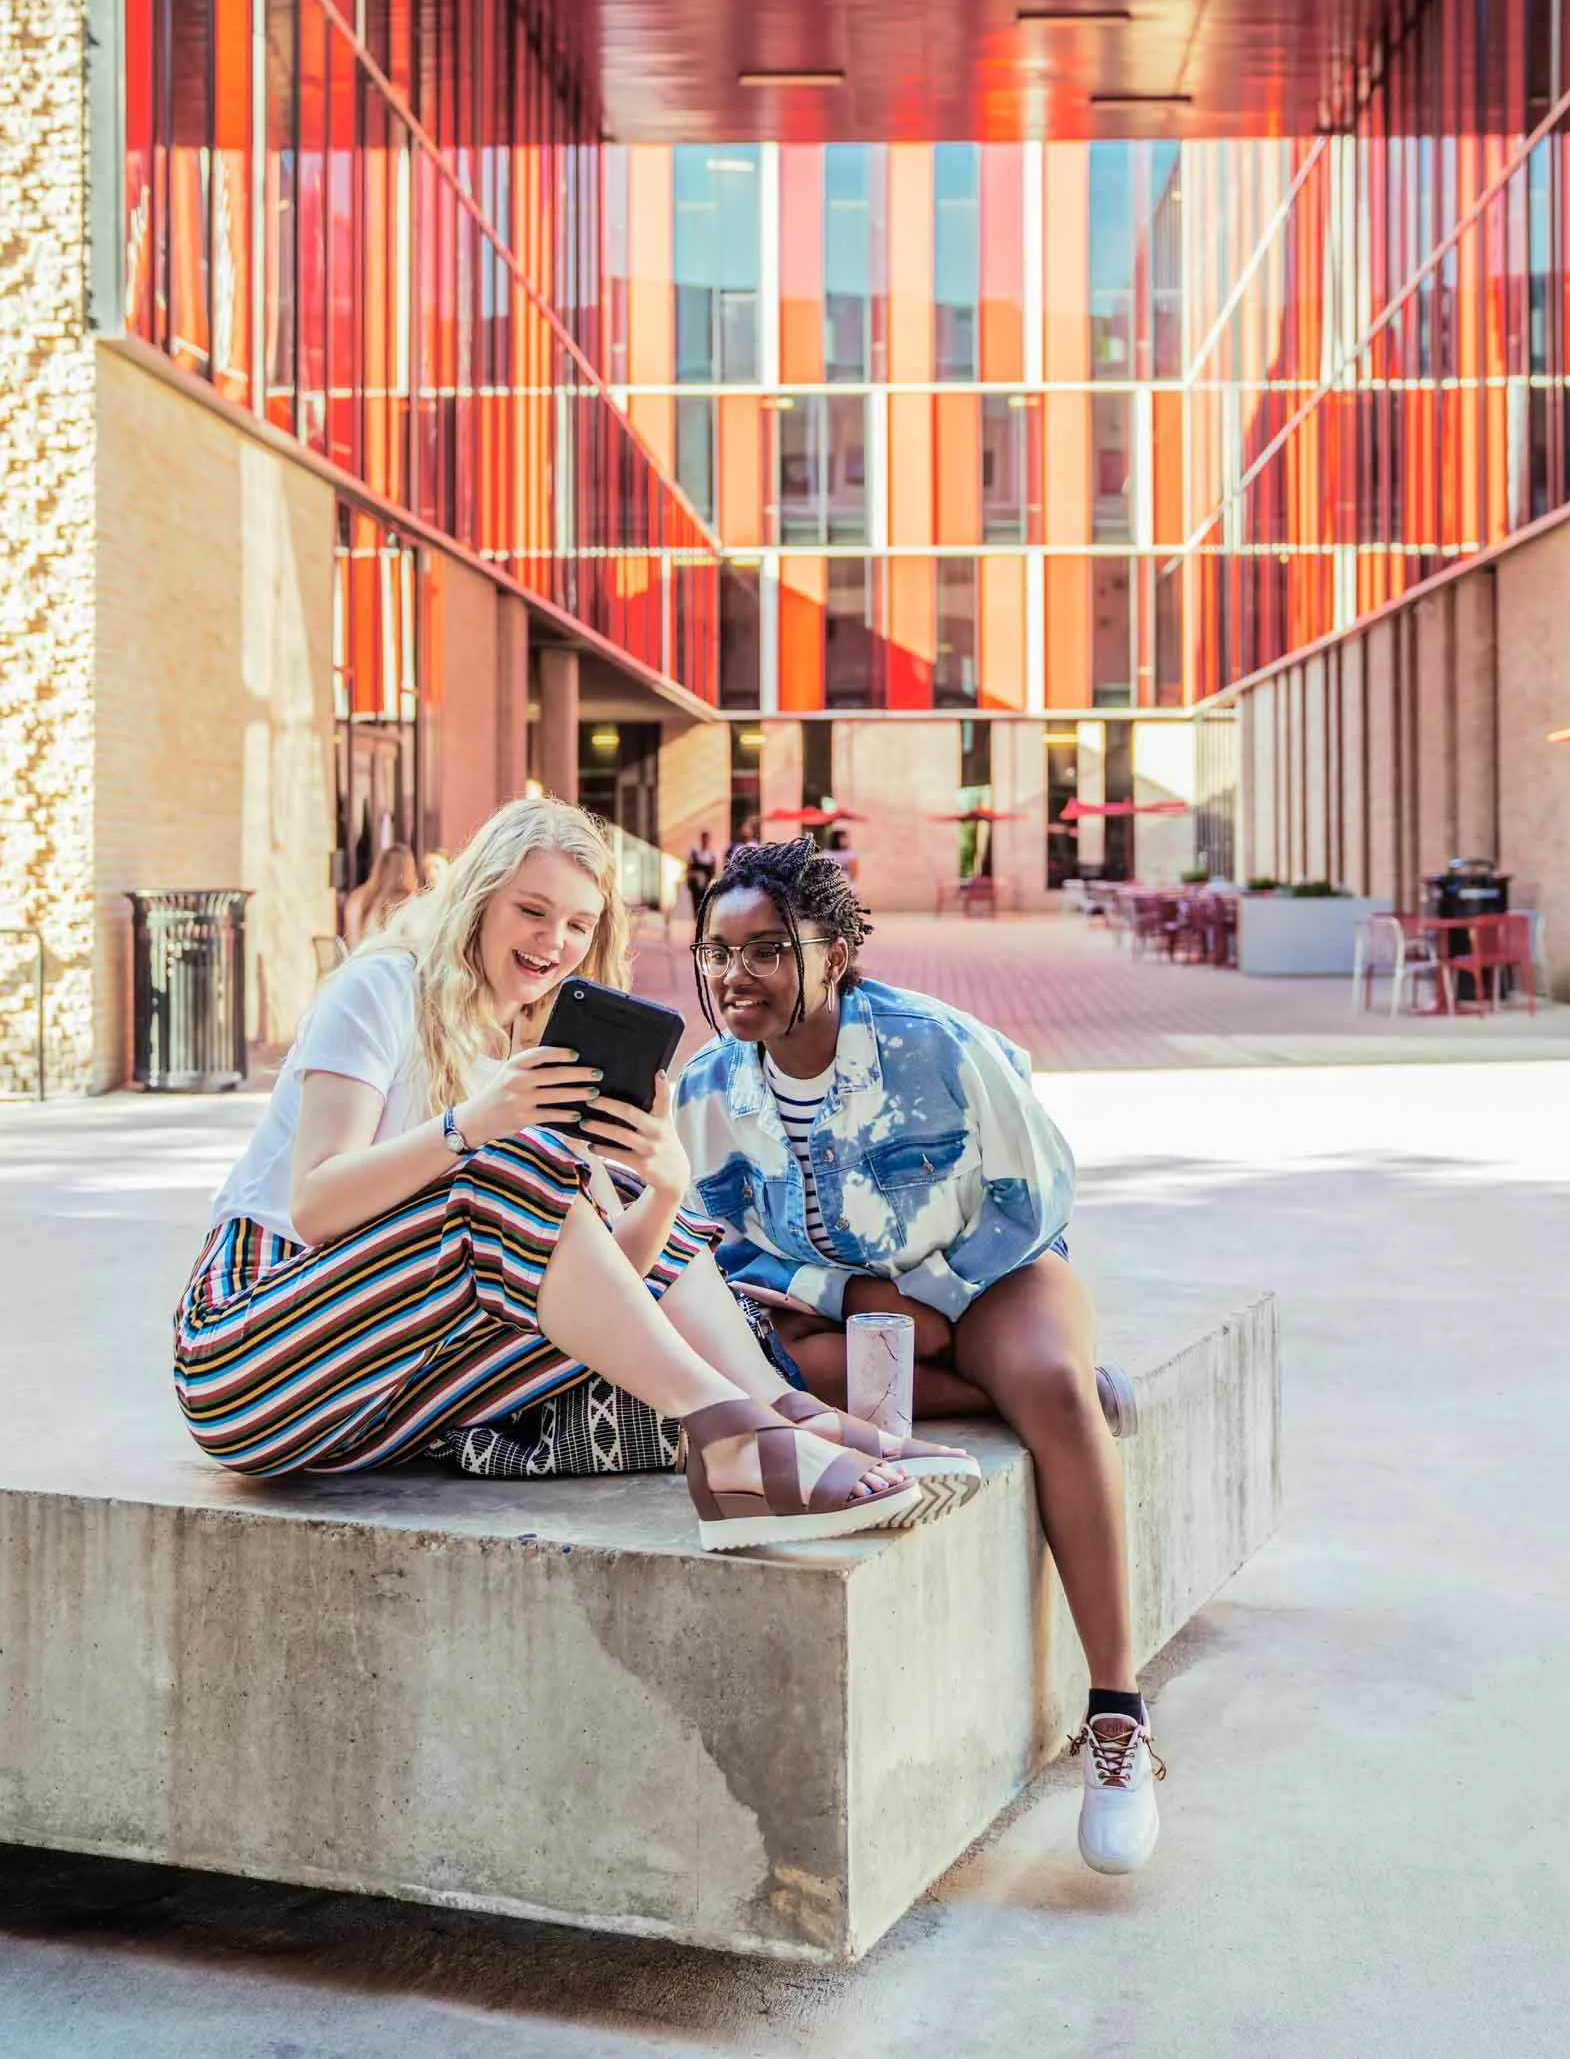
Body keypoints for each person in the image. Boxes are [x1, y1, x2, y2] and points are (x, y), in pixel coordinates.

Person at [173, 797, 978, 1551]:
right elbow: (315, 1207)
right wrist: (471, 1126)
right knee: (514, 1162)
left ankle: (783, 1413)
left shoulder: (533, 1054)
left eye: (578, 925)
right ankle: (735, 1441)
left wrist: (665, 1190)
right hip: (253, 1357)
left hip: (385, 1398)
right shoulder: (382, 989)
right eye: (532, 910)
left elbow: (591, 1294)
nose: (554, 941)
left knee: (616, 1191)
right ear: (479, 900)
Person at [674, 836, 1163, 1873]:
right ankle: (1016, 1394)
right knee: (781, 1378)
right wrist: (845, 1294)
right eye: (718, 952)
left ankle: (1118, 1719)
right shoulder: (710, 1087)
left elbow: (1037, 1190)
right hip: (843, 1310)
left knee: (1046, 1383)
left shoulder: (937, 1046)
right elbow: (715, 1239)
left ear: (837, 952)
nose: (733, 976)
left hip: (992, 1274)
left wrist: (934, 1305)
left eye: (766, 951)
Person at [342, 842, 420, 948]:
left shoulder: (357, 898)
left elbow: (351, 943)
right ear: (408, 870)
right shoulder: (409, 903)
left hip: (359, 961)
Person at [685, 830, 718, 920]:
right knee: (696, 905)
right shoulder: (695, 852)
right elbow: (688, 867)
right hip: (696, 883)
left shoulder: (712, 854)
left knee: (705, 905)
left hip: (706, 884)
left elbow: (713, 871)